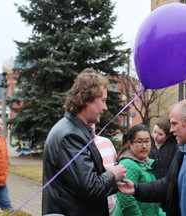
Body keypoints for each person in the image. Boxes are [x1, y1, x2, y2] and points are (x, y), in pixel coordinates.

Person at [42, 68, 127, 216]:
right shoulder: (70, 136)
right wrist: (112, 175)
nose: (105, 107)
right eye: (103, 101)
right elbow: (90, 188)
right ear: (88, 99)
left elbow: (82, 179)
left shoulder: (77, 130)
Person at [113, 124, 165, 216]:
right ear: (130, 144)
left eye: (147, 141)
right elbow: (127, 202)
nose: (144, 146)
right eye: (139, 142)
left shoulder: (145, 163)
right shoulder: (127, 164)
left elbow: (153, 204)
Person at [91, 123, 118, 216]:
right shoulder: (77, 146)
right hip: (94, 209)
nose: (90, 126)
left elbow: (116, 165)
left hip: (113, 207)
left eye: (92, 123)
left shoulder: (107, 142)